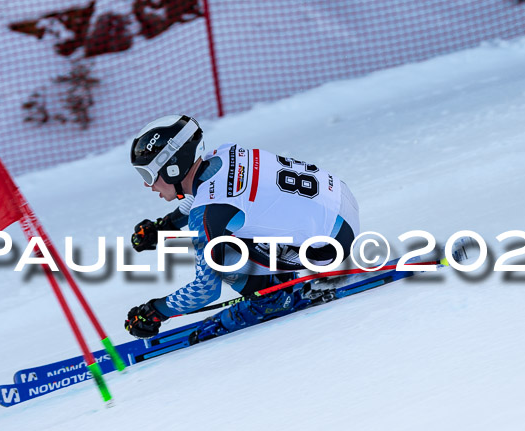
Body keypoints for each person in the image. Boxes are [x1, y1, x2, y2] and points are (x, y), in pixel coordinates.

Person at [124, 115, 360, 341]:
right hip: (339, 203)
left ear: (172, 168)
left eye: (148, 173)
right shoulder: (222, 154)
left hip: (331, 246)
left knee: (221, 252)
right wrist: (165, 225)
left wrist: (155, 311)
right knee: (235, 219)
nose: (147, 183)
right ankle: (278, 278)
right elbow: (205, 194)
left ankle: (272, 300)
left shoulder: (206, 212)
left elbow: (205, 290)